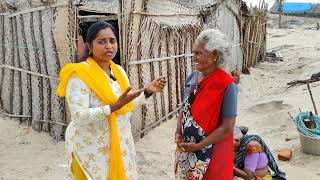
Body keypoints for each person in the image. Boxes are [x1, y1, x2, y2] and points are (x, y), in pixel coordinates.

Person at [56, 21, 166, 180]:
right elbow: (78, 116)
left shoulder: (118, 70)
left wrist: (147, 91)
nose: (109, 46)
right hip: (92, 149)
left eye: (112, 41)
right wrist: (112, 107)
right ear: (90, 46)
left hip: (121, 144)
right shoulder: (79, 75)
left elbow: (125, 105)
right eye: (102, 42)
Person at [174, 29, 238, 180]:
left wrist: (200, 145)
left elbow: (227, 127)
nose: (193, 57)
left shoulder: (227, 85)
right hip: (187, 148)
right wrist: (178, 131)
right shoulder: (193, 76)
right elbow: (185, 108)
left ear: (215, 55)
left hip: (213, 151)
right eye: (193, 52)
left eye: (198, 53)